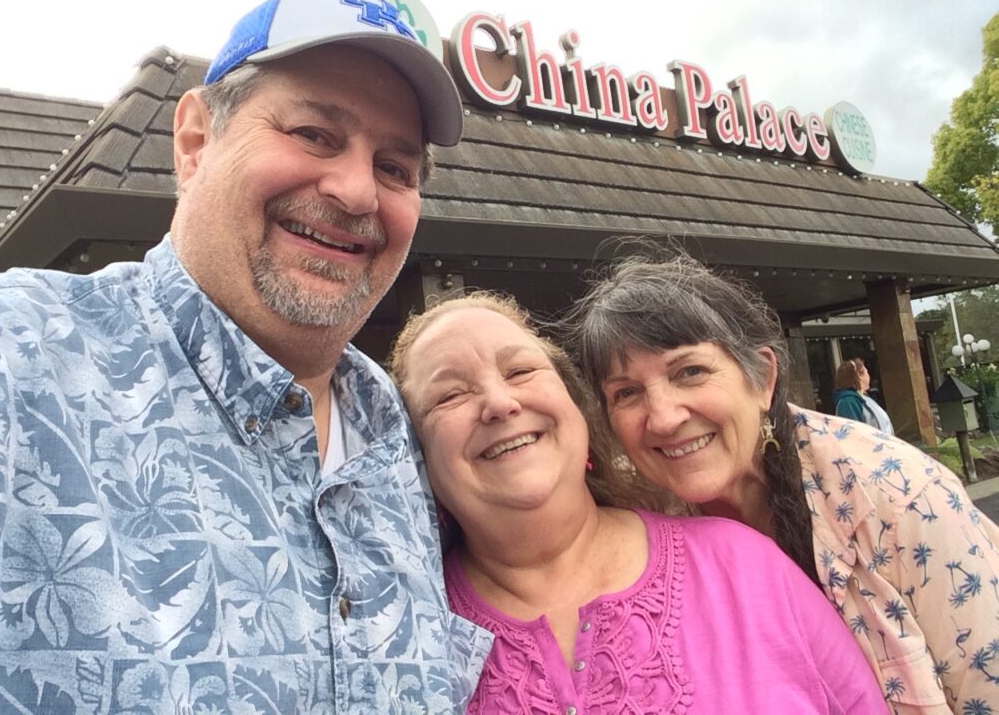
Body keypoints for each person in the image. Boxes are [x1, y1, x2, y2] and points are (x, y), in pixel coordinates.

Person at [0, 0, 492, 713]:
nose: (356, 192)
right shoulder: (3, 359)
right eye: (314, 133)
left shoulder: (401, 433)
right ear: (194, 143)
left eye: (394, 168)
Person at [388, 292, 889, 714]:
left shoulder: (745, 566)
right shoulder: (392, 637)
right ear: (416, 456)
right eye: (449, 396)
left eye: (520, 371)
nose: (500, 403)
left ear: (578, 409)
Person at [565, 251, 999, 715]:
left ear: (763, 379)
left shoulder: (895, 496)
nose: (664, 418)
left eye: (689, 371)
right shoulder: (638, 522)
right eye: (626, 393)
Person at [835, 358, 895, 435]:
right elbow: (854, 435)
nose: (869, 376)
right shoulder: (848, 402)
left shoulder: (863, 398)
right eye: (866, 372)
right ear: (859, 376)